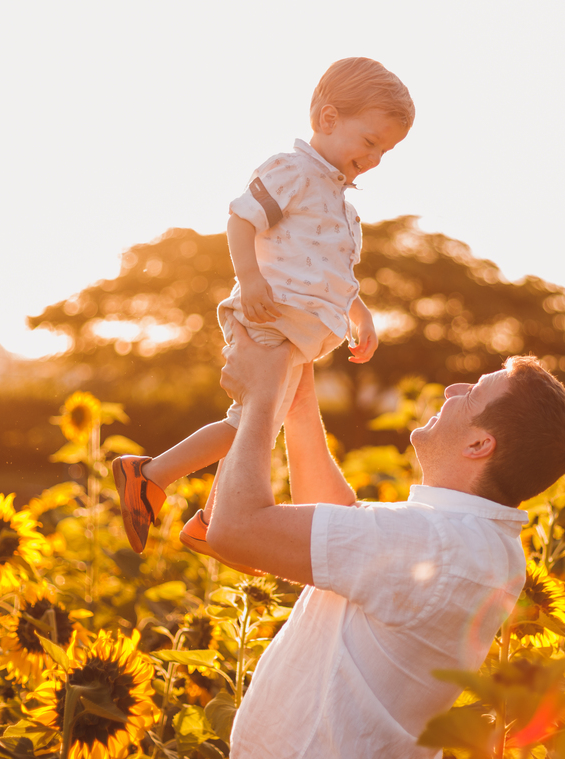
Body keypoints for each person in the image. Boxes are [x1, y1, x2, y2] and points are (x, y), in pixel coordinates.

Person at [195, 325, 565, 759]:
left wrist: (256, 399)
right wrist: (295, 395)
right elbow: (342, 523)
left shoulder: (437, 544)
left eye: (474, 393)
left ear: (480, 445)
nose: (453, 389)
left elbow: (235, 529)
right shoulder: (458, 537)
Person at [112, 57, 414, 554]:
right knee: (252, 422)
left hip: (299, 333)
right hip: (269, 317)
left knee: (257, 427)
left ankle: (195, 508)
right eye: (370, 141)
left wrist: (360, 315)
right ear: (329, 119)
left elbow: (333, 277)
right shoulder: (292, 169)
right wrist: (249, 278)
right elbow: (240, 219)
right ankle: (155, 479)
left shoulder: (342, 205)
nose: (376, 157)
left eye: (386, 150)